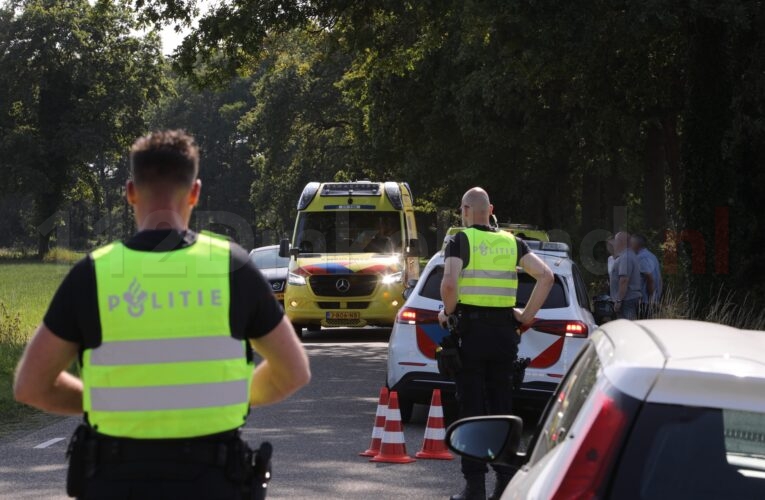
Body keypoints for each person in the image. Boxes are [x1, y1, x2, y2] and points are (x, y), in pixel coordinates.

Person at [13, 130, 311, 499]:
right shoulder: (232, 267)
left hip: (114, 480)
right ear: (195, 192)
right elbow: (293, 372)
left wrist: (106, 399)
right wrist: (220, 395)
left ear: (130, 192)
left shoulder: (93, 273)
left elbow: (31, 385)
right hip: (212, 481)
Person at [439, 188, 553, 500]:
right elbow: (546, 277)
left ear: (464, 210)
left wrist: (447, 314)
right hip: (505, 335)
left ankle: (474, 489)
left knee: (472, 411)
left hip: (472, 333)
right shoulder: (512, 242)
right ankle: (505, 484)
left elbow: (449, 283)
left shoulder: (459, 240)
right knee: (501, 407)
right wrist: (524, 317)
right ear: (491, 209)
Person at [609, 231, 642, 320]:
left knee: (628, 327)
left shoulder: (626, 257)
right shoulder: (630, 255)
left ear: (621, 242)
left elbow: (624, 280)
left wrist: (619, 300)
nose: (614, 244)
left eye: (615, 241)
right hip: (629, 298)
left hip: (627, 300)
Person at [631, 234, 662, 318]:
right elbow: (659, 279)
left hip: (645, 301)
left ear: (636, 245)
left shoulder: (640, 258)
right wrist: (657, 298)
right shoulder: (652, 256)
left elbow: (650, 279)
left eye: (631, 243)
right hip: (652, 299)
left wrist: (651, 299)